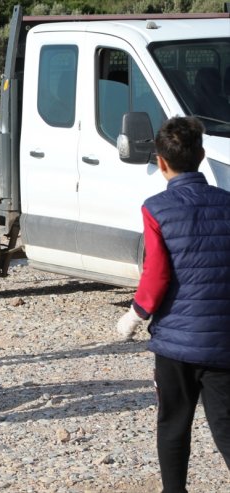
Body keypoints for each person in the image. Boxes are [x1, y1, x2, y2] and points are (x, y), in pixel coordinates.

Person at [115, 116, 230, 491]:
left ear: (161, 162)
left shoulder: (156, 208)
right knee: (226, 428)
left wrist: (134, 315)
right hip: (223, 342)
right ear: (200, 155)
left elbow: (158, 274)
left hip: (176, 345)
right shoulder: (227, 202)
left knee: (174, 424)